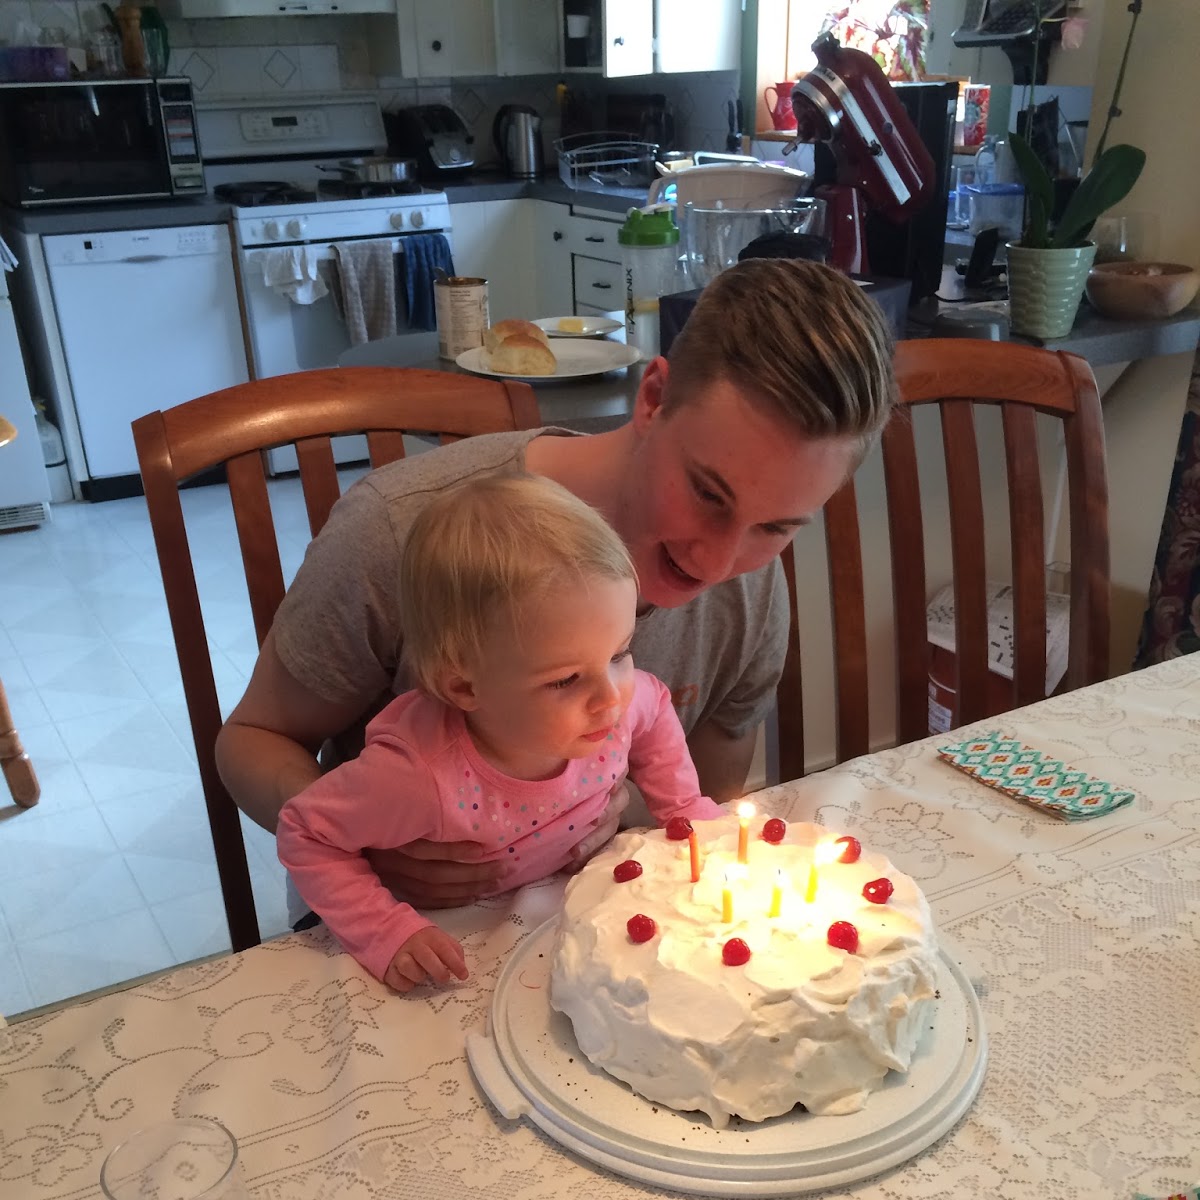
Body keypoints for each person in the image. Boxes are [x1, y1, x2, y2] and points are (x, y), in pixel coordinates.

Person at [217, 258, 896, 912]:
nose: (718, 563)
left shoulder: (752, 592)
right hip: (396, 934)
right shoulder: (398, 530)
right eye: (707, 494)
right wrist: (368, 852)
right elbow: (250, 741)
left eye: (774, 527)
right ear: (653, 399)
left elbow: (700, 814)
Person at [275, 475, 723, 991]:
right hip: (447, 932)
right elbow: (306, 832)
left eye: (620, 653)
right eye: (565, 680)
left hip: (560, 920)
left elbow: (655, 707)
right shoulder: (417, 777)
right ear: (465, 687)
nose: (611, 698)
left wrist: (683, 808)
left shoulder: (619, 702)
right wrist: (384, 930)